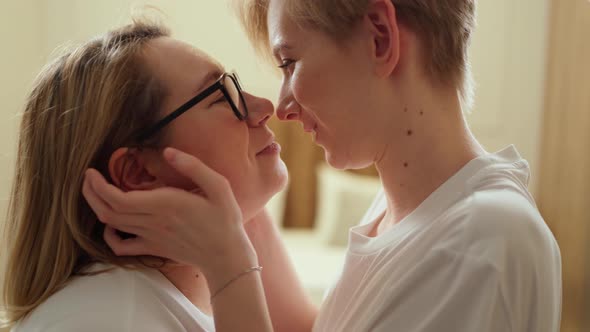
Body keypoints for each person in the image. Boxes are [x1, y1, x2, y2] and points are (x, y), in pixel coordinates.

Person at [82, 0, 562, 331]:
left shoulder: (479, 244)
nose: (282, 105)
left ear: (380, 37)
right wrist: (239, 210)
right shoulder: (405, 214)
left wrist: (228, 266)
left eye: (289, 62)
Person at [1, 19, 286, 331]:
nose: (264, 107)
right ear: (138, 173)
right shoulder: (104, 320)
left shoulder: (177, 304)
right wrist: (234, 265)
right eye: (222, 96)